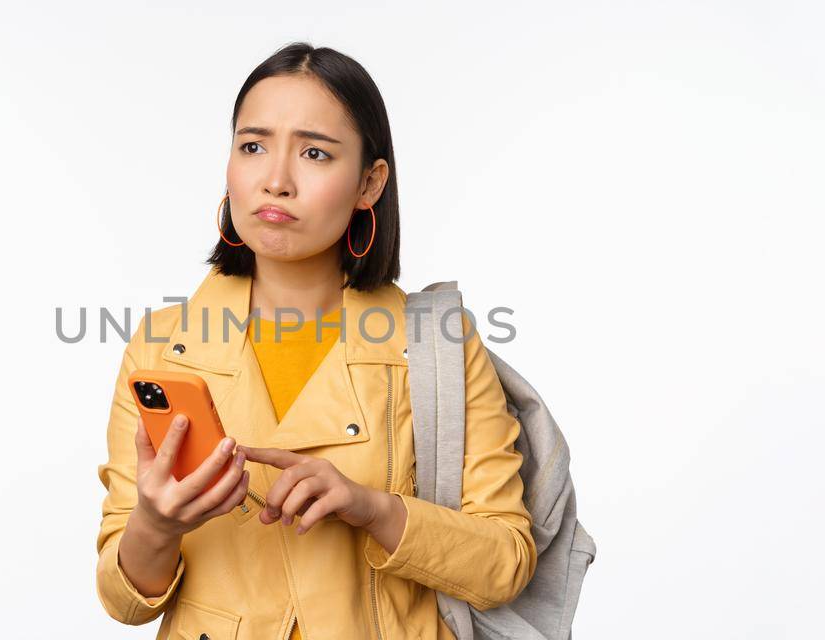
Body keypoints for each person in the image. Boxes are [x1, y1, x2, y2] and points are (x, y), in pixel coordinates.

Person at [95, 42, 536, 640]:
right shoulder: (160, 347)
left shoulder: (437, 344)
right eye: (253, 146)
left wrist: (373, 508)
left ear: (370, 183)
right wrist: (155, 522)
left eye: (314, 153)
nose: (276, 181)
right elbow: (126, 604)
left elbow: (506, 563)